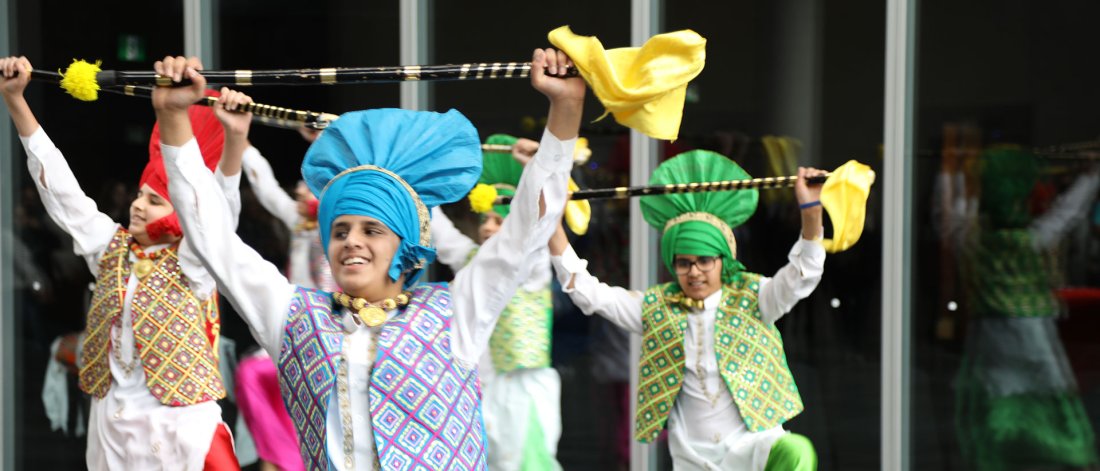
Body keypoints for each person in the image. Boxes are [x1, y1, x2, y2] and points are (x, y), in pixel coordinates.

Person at [158, 48, 582, 469]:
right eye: (339, 231)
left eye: (372, 229)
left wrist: (565, 105)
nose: (351, 242)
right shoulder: (293, 315)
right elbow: (211, 236)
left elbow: (529, 226)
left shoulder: (455, 311)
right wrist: (175, 118)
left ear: (405, 244)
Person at [1, 55, 251, 470]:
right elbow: (62, 193)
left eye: (153, 201)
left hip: (179, 427)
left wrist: (235, 145)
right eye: (139, 195)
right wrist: (16, 102)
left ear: (181, 211)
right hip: (114, 422)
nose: (137, 206)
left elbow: (217, 213)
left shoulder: (196, 260)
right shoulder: (111, 248)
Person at [549, 150, 826, 470]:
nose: (694, 272)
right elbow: (588, 293)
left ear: (723, 260)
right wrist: (553, 228)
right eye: (684, 263)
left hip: (753, 446)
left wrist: (810, 209)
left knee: (796, 451)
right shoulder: (655, 307)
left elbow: (803, 273)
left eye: (704, 261)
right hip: (693, 458)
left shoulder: (755, 296)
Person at [940, 147, 1100, 471]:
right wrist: (1090, 176)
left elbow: (951, 221)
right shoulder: (1032, 240)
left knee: (999, 402)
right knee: (1045, 395)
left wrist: (955, 175)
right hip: (1033, 338)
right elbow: (1066, 215)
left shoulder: (974, 241)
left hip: (992, 340)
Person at [430, 133, 567, 470]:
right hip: (480, 390)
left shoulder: (530, 266)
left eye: (498, 221)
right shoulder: (473, 261)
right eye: (485, 220)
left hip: (523, 392)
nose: (488, 228)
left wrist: (539, 169)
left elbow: (537, 225)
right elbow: (438, 231)